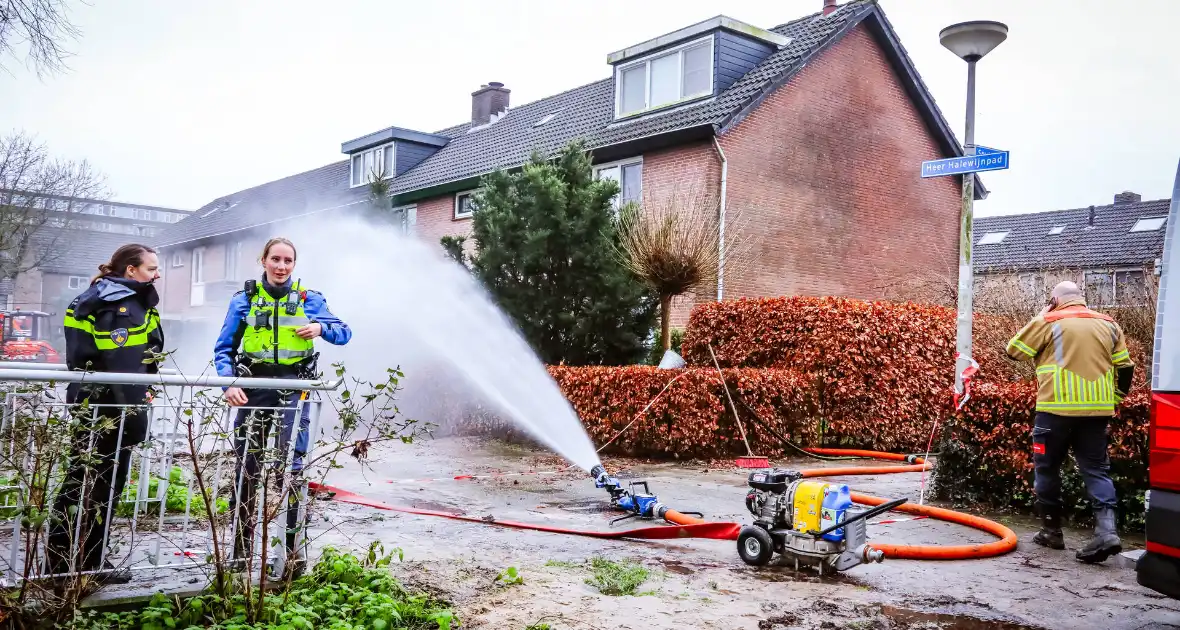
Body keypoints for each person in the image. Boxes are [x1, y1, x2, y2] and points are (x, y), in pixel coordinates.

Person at [212, 237, 351, 561]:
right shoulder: (244, 300)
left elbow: (344, 332)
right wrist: (228, 385)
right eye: (276, 259)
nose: (281, 266)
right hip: (253, 388)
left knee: (292, 467)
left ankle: (291, 552)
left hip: (295, 389)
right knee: (248, 466)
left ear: (294, 265)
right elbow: (224, 349)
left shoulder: (308, 299)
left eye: (288, 261)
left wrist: (320, 328)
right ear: (263, 261)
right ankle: (240, 553)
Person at [47, 244, 164, 584]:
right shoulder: (119, 306)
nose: (156, 275)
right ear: (131, 270)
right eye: (150, 269)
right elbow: (125, 369)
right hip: (111, 408)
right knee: (95, 486)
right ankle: (75, 566)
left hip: (95, 403)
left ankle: (76, 563)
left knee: (86, 483)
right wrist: (138, 416)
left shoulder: (102, 296)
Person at [1005, 280, 1134, 564]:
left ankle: (1052, 532)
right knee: (1097, 470)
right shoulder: (1109, 323)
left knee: (1047, 469)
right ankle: (1107, 531)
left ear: (1055, 300)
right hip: (1097, 413)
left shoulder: (1050, 320)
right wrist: (1115, 398)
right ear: (1081, 299)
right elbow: (1126, 366)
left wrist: (1040, 314)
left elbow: (1013, 350)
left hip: (1054, 411)